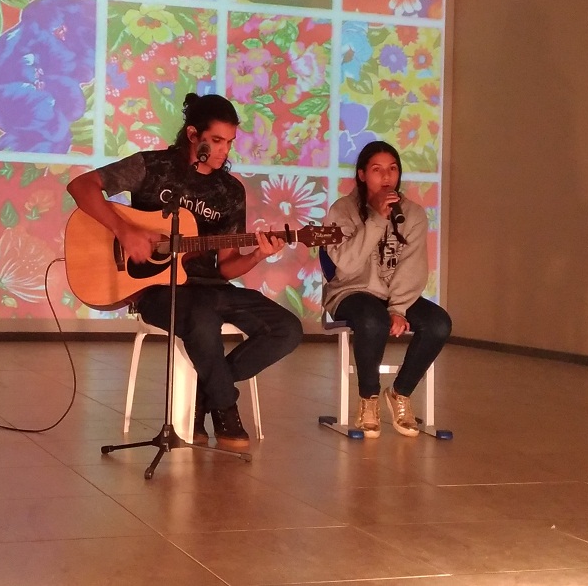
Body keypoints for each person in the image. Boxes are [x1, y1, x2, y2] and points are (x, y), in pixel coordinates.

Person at [67, 93, 303, 450]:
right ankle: (225, 407)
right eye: (217, 140)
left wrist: (257, 254)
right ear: (193, 134)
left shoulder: (229, 191)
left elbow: (226, 267)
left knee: (287, 329)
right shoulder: (153, 166)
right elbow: (81, 186)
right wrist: (124, 231)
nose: (224, 150)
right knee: (201, 317)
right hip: (156, 289)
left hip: (211, 288)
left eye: (230, 142)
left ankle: (204, 396)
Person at [323, 140, 451, 438]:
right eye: (377, 170)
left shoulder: (413, 213)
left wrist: (398, 308)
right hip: (351, 291)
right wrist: (377, 219)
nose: (386, 176)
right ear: (361, 174)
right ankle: (368, 399)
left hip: (396, 295)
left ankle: (400, 392)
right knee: (372, 320)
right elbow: (347, 264)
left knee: (438, 323)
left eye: (392, 169)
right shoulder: (342, 210)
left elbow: (412, 267)